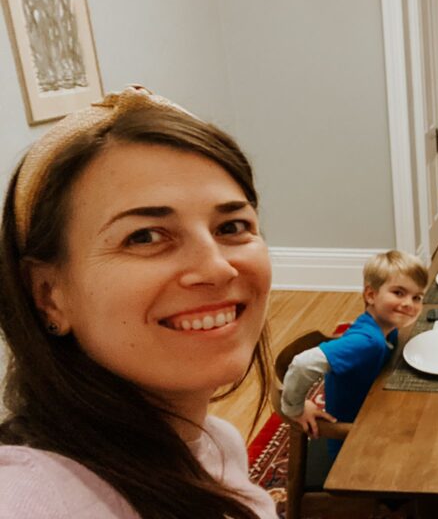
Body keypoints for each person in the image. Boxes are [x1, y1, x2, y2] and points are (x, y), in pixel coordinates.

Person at [0, 86, 277, 518]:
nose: (218, 268)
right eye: (144, 236)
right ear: (48, 296)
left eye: (232, 225)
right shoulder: (33, 497)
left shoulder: (217, 444)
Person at [280, 249, 426, 460]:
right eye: (399, 293)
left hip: (369, 414)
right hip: (352, 445)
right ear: (371, 295)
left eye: (417, 297)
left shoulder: (383, 326)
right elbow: (303, 364)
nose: (409, 304)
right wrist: (294, 409)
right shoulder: (367, 342)